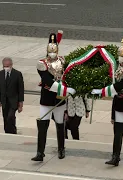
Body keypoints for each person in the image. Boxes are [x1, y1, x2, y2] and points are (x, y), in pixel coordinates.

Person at [92, 33, 123, 166]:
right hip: (120, 101)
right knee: (118, 132)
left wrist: (102, 92)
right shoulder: (118, 67)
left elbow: (120, 85)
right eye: (119, 55)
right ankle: (115, 156)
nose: (120, 58)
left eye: (122, 56)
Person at [31, 30, 76, 162]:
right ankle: (40, 152)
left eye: (54, 51)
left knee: (60, 125)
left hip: (59, 99)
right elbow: (47, 81)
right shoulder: (42, 63)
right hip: (46, 98)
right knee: (43, 125)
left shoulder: (62, 60)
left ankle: (61, 148)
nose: (52, 54)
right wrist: (65, 89)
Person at [0, 57, 24, 134]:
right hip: (4, 101)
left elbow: (21, 89)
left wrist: (20, 104)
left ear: (11, 65)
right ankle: (7, 132)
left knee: (10, 116)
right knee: (5, 118)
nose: (6, 67)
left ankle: (13, 131)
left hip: (14, 101)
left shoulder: (17, 74)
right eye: (5, 66)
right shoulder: (0, 74)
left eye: (8, 66)